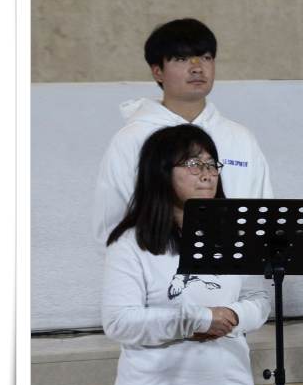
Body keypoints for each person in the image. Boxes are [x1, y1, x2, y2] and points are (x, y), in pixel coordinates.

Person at [101, 124, 271, 385]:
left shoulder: (232, 234)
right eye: (193, 164)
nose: (207, 175)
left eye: (211, 164)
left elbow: (258, 297)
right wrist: (200, 319)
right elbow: (119, 321)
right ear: (161, 173)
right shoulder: (131, 243)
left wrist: (232, 315)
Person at [93, 18, 273, 244]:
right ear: (158, 71)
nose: (197, 68)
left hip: (234, 264)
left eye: (206, 57)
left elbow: (263, 216)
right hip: (157, 263)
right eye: (181, 59)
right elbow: (111, 226)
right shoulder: (132, 139)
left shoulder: (240, 138)